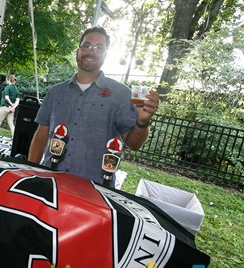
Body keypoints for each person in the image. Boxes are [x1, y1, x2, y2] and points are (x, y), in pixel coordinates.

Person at [28, 26, 160, 185]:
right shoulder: (55, 92)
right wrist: (31, 172)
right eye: (87, 46)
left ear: (105, 55)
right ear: (78, 51)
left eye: (99, 48)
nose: (91, 51)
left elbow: (134, 144)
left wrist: (142, 122)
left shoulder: (121, 94)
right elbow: (41, 134)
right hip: (51, 182)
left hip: (95, 189)